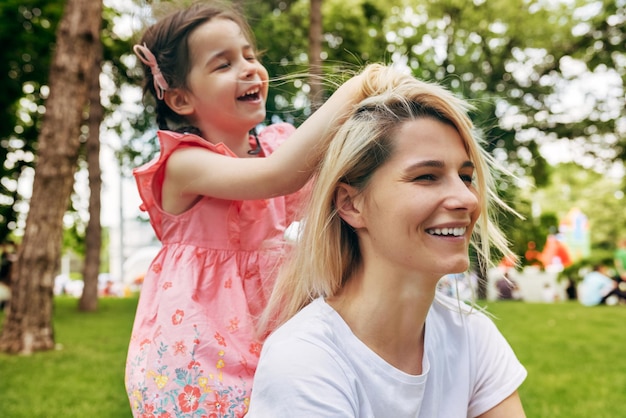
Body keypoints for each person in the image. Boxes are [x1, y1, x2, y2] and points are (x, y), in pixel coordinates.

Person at [124, 2, 372, 416]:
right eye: (223, 65)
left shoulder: (277, 145)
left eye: (250, 55)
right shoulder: (184, 163)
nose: (249, 68)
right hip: (200, 341)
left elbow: (333, 193)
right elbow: (277, 176)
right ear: (182, 98)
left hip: (274, 312)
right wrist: (357, 89)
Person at [248, 65, 526, 417]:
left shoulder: (472, 337)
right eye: (426, 176)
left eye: (466, 177)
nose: (467, 200)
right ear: (351, 204)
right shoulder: (304, 360)